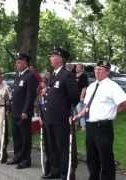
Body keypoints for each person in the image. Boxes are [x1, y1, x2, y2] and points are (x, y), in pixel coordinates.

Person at [73, 60, 126, 180]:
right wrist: (79, 115)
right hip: (90, 126)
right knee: (91, 158)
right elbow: (88, 105)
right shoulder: (91, 86)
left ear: (107, 72)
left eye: (101, 69)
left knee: (106, 158)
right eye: (96, 69)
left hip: (103, 127)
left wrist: (114, 112)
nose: (97, 71)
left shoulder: (112, 86)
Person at [42, 47, 79, 180]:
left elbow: (74, 97)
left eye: (53, 56)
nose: (50, 58)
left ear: (60, 59)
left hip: (61, 118)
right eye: (51, 56)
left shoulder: (67, 75)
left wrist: (66, 110)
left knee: (62, 146)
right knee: (52, 146)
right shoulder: (53, 75)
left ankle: (66, 173)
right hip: (50, 117)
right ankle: (55, 170)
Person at [6, 53, 38, 169]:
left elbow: (30, 96)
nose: (16, 64)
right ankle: (17, 156)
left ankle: (26, 160)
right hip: (15, 111)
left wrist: (25, 111)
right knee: (16, 136)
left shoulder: (30, 76)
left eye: (19, 62)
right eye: (17, 62)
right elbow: (15, 94)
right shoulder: (18, 76)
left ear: (25, 63)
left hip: (23, 113)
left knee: (25, 137)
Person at [75, 63, 89, 129]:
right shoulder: (74, 75)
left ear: (82, 68)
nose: (77, 68)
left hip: (80, 96)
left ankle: (83, 126)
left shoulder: (84, 76)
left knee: (80, 111)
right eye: (76, 67)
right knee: (74, 111)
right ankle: (76, 125)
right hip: (74, 96)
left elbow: (84, 87)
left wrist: (82, 96)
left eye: (78, 67)